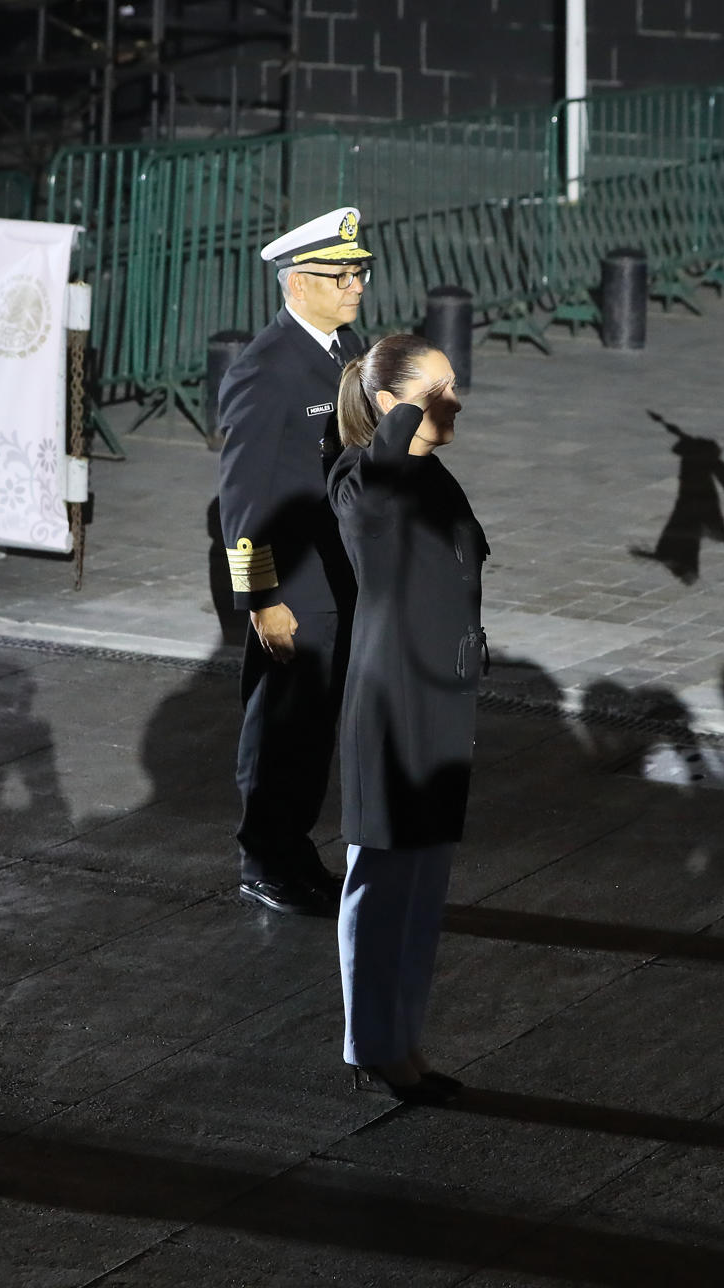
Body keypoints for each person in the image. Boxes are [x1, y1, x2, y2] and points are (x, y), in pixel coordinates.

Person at [326, 335, 485, 1104]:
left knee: (423, 887)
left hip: (441, 703)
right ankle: (370, 1043)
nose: (455, 402)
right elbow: (379, 490)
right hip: (390, 708)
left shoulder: (432, 477)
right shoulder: (360, 478)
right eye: (437, 391)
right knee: (378, 882)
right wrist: (396, 419)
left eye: (454, 387)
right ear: (390, 406)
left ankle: (403, 1039)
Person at [216, 207, 373, 916]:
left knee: (314, 729)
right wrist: (260, 601)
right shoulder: (268, 368)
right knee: (281, 727)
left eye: (361, 271)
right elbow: (242, 496)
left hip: (340, 576)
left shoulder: (344, 349)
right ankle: (266, 859)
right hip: (294, 586)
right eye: (343, 275)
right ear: (299, 282)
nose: (357, 285)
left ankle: (296, 848)